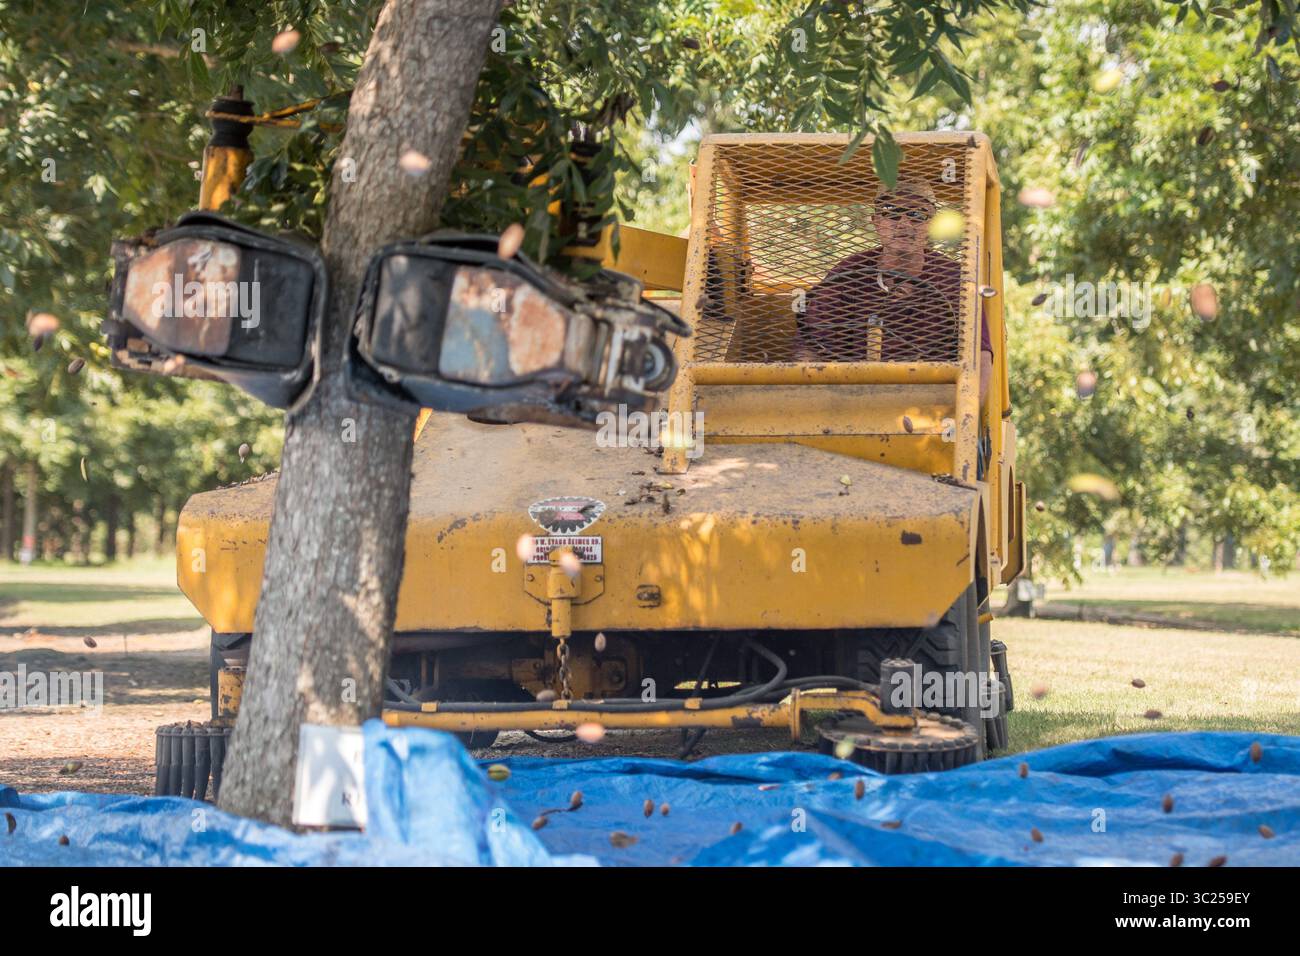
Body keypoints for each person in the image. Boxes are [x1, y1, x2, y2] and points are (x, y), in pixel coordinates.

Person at [795, 177, 994, 402]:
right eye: (892, 212)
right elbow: (810, 348)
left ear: (931, 223)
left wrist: (966, 411)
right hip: (851, 400)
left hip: (929, 406)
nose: (904, 223)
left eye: (916, 215)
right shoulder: (846, 275)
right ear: (876, 221)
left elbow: (981, 357)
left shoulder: (955, 281)